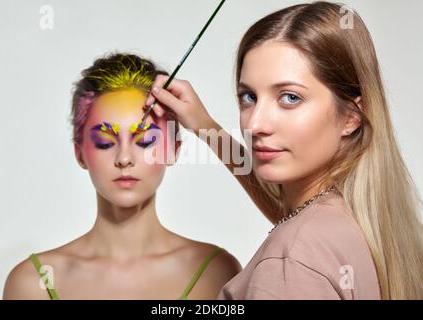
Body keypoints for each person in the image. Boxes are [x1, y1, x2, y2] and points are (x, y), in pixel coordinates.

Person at [144, 2, 423, 299]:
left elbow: (295, 239)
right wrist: (206, 128)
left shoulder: (292, 261)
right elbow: (290, 213)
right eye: (249, 96)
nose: (254, 123)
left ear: (351, 117)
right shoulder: (358, 222)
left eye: (290, 97)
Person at [3, 53, 241, 300]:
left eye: (146, 141)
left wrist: (205, 125)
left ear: (174, 149)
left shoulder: (217, 272)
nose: (124, 158)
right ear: (80, 153)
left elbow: (283, 214)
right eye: (105, 143)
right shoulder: (33, 282)